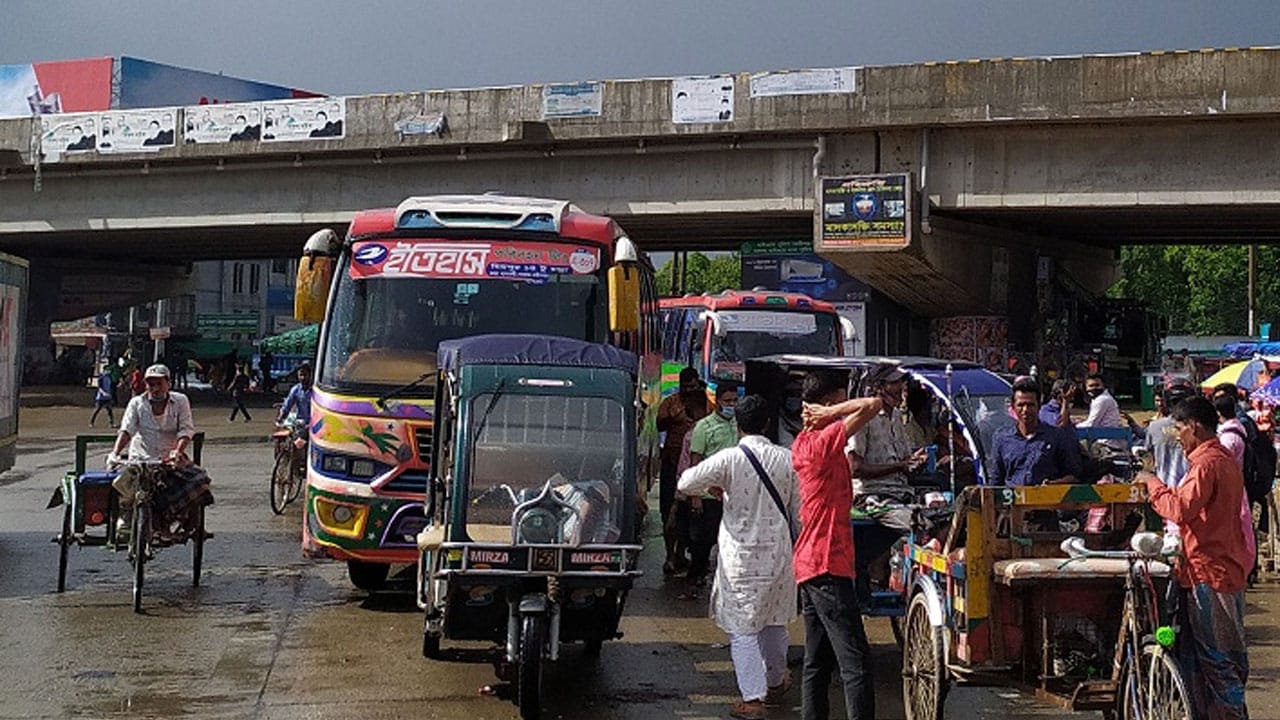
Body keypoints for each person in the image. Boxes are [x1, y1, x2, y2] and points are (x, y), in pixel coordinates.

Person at [678, 395, 798, 720]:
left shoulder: (729, 459)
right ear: (767, 424)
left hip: (741, 558)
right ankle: (776, 679)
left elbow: (685, 482)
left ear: (737, 424)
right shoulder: (786, 458)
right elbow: (798, 509)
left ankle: (753, 699)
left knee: (744, 628)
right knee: (774, 621)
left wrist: (714, 488)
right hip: (778, 553)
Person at [1140, 396, 1249, 720]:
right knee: (1221, 657)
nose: (1177, 436)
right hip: (1224, 567)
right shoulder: (1224, 458)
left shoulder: (1207, 464)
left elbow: (1180, 508)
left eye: (1179, 429)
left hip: (1209, 572)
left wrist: (1152, 483)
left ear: (1194, 427)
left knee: (1218, 660)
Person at [791, 368, 886, 720]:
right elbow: (875, 404)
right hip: (828, 562)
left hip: (811, 563)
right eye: (839, 399)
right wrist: (833, 412)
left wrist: (829, 410)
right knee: (856, 662)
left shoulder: (802, 441)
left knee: (818, 662)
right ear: (827, 405)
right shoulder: (821, 440)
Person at [108, 364, 212, 541]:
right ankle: (135, 521)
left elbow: (186, 430)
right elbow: (127, 430)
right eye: (150, 384)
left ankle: (188, 523)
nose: (154, 388)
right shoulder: (137, 403)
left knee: (199, 480)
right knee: (129, 487)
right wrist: (115, 453)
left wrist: (177, 451)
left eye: (159, 383)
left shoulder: (180, 401)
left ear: (168, 383)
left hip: (170, 458)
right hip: (141, 459)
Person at [684, 384, 740, 587]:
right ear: (717, 401)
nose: (732, 405)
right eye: (728, 401)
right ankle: (695, 577)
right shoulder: (704, 427)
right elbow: (695, 463)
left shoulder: (739, 424)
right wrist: (696, 495)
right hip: (709, 495)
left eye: (735, 401)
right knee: (704, 540)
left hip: (733, 494)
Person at [656, 367, 710, 576]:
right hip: (672, 463)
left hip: (696, 465)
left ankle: (681, 554)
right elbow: (659, 425)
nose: (688, 390)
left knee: (689, 514)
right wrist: (674, 417)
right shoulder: (670, 403)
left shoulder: (705, 404)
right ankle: (670, 556)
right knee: (669, 511)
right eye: (685, 386)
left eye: (692, 386)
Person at [989, 377, 1082, 486]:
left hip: (1048, 500)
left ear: (1039, 406)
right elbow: (995, 481)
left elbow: (1074, 476)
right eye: (1021, 405)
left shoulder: (1056, 437)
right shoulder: (1002, 438)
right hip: (1012, 500)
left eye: (1030, 405)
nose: (1025, 410)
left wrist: (1052, 484)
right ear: (1013, 407)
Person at [1078, 373, 1125, 452]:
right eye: (1091, 386)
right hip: (1108, 438)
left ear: (1103, 385)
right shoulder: (1101, 398)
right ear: (1086, 387)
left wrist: (1073, 426)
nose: (1094, 388)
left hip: (1107, 442)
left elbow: (1091, 424)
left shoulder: (1102, 400)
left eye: (1097, 385)